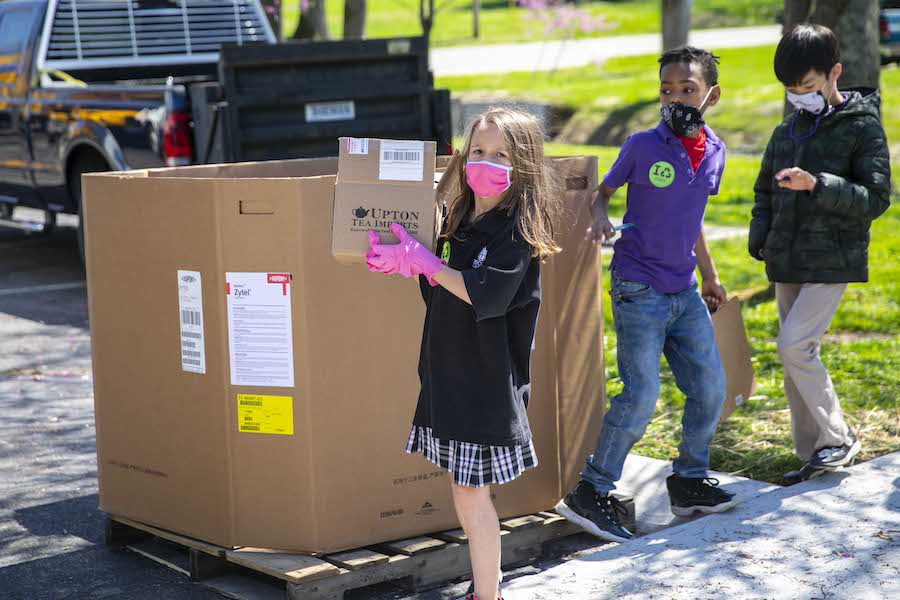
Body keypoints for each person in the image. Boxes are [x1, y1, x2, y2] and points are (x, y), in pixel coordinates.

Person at [365, 107, 563, 600]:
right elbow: (440, 294)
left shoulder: (516, 232)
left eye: (501, 155)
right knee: (465, 494)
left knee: (471, 497)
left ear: (525, 167)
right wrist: (410, 264)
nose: (485, 162)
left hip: (484, 386)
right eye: (478, 151)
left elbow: (487, 296)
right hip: (448, 376)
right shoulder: (458, 218)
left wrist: (428, 263)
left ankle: (487, 595)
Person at [555, 46, 737, 543]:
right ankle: (591, 491)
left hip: (684, 289)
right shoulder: (641, 145)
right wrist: (598, 220)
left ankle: (689, 481)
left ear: (711, 96)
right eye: (666, 89)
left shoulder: (716, 151)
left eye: (687, 90)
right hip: (638, 286)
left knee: (710, 387)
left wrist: (711, 276)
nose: (675, 98)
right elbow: (602, 193)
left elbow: (692, 219)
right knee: (642, 393)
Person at [749, 25, 891, 485]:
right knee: (796, 360)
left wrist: (817, 184)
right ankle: (813, 453)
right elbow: (763, 190)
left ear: (835, 73)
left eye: (807, 87)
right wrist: (760, 233)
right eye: (790, 90)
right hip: (787, 258)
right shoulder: (785, 129)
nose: (799, 97)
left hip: (832, 257)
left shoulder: (863, 127)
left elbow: (875, 198)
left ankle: (837, 437)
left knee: (794, 347)